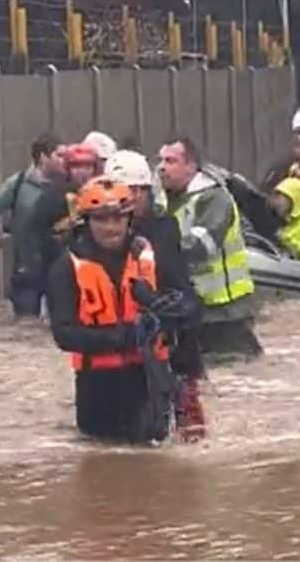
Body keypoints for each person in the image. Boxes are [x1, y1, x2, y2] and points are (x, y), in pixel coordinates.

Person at [46, 177, 199, 444]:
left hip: (150, 379)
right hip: (98, 386)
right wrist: (127, 336)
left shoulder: (152, 256)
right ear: (86, 222)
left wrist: (160, 305)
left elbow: (191, 307)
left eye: (118, 218)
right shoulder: (66, 267)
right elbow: (64, 334)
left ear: (129, 219)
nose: (110, 227)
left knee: (155, 462)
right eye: (101, 219)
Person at [104, 149, 206, 442]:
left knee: (187, 434)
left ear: (140, 192)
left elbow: (184, 298)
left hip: (171, 347)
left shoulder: (162, 231)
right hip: (123, 351)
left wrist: (154, 303)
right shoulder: (99, 236)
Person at [157, 137, 262, 361]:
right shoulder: (168, 202)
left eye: (171, 161)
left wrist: (156, 251)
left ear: (191, 166)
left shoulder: (214, 199)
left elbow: (202, 246)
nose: (162, 167)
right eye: (161, 161)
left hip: (227, 311)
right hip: (197, 311)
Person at [0, 133, 66, 318]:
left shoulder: (67, 185)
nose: (65, 161)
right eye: (60, 155)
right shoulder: (18, 184)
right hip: (27, 264)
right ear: (43, 157)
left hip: (59, 262)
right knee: (25, 320)